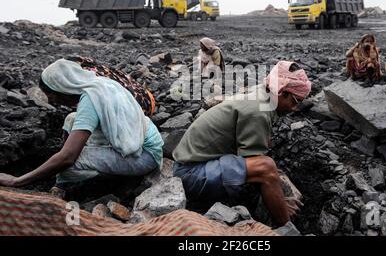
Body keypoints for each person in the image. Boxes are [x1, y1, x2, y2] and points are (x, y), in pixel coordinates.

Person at [172, 61, 311, 227]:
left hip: (197, 165)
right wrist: (282, 204)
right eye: (295, 101)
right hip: (190, 174)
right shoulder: (259, 110)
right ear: (281, 92)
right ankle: (286, 227)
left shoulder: (262, 94)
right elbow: (261, 167)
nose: (295, 108)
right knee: (266, 167)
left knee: (266, 163)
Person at [0, 59, 163, 190]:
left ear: (61, 87)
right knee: (71, 118)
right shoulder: (100, 82)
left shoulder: (90, 98)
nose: (51, 100)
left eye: (50, 94)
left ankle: (71, 189)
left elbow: (68, 158)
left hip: (145, 156)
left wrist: (16, 181)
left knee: (68, 166)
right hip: (144, 136)